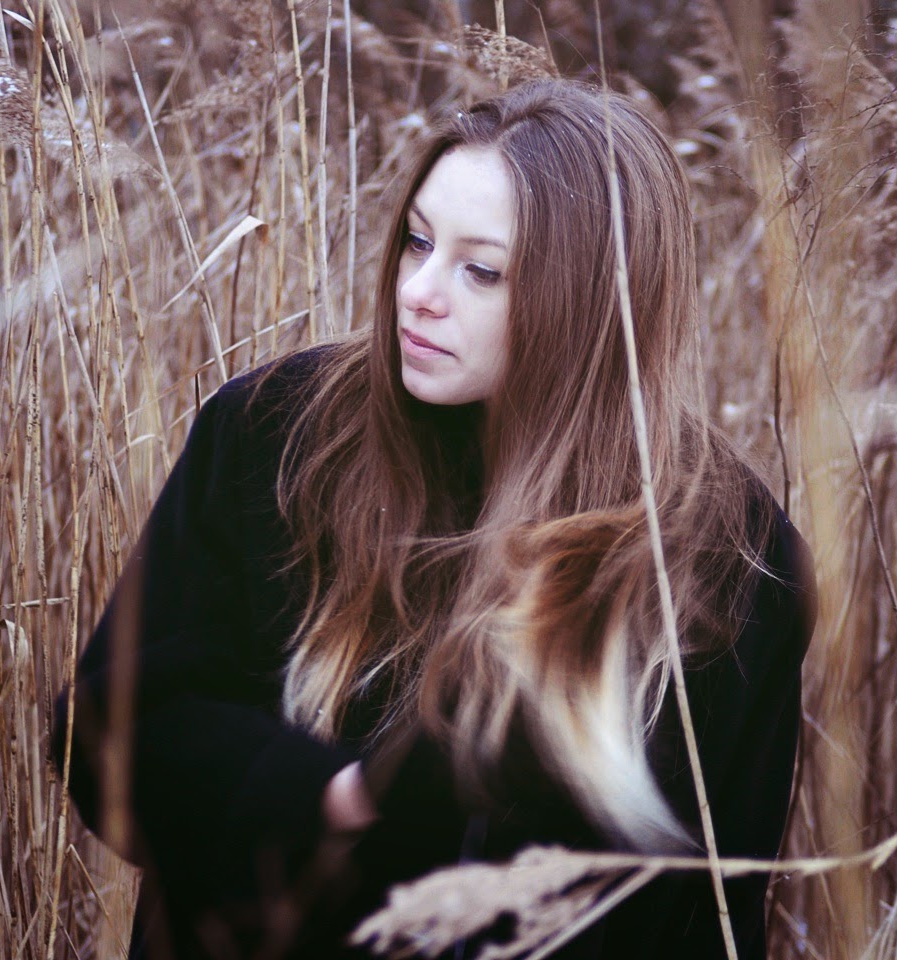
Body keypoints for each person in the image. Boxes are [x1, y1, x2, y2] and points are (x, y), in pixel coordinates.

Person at [51, 78, 817, 960]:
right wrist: (344, 798)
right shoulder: (276, 434)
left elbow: (711, 912)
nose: (416, 291)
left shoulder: (727, 554)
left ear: (592, 301)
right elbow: (111, 736)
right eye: (417, 241)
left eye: (480, 271)